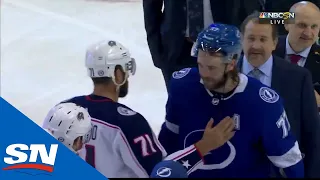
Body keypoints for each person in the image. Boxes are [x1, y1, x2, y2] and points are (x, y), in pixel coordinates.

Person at [42, 40, 236, 178]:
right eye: (126, 69)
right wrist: (204, 147)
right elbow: (161, 173)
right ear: (117, 73)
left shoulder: (62, 111)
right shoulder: (128, 123)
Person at [158, 23, 304, 178]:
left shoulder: (263, 104)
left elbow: (289, 161)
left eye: (212, 68)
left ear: (232, 63)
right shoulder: (182, 85)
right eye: (200, 65)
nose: (204, 74)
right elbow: (168, 140)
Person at [238, 11, 320, 177]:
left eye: (263, 39)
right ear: (241, 40)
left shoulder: (299, 78)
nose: (256, 46)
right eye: (251, 38)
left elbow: (312, 136)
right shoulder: (224, 73)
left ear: (275, 43)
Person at [142, 0, 263, 92]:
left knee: (228, 112)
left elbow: (254, 6)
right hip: (176, 50)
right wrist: (156, 47)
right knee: (183, 114)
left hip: (225, 48)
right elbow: (151, 7)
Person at [272, 1, 320, 108]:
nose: (308, 33)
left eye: (314, 27)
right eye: (302, 25)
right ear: (286, 24)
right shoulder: (268, 48)